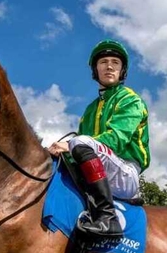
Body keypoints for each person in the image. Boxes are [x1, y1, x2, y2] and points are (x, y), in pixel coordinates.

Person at [48, 39, 150, 239]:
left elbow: (117, 139)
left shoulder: (130, 99)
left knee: (79, 142)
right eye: (103, 62)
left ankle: (107, 217)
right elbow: (77, 153)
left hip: (125, 174)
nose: (109, 66)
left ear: (122, 71)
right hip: (97, 171)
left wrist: (69, 145)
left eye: (115, 62)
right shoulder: (89, 110)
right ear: (96, 70)